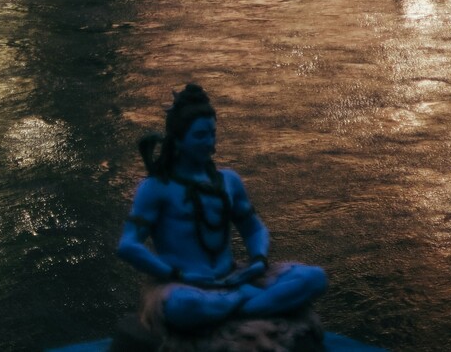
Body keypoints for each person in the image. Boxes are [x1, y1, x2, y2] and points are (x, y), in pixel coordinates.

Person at [117, 83, 327, 342]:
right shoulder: (156, 186)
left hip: (233, 276)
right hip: (185, 284)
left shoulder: (228, 180)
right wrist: (175, 274)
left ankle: (234, 307)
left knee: (314, 278)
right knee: (182, 307)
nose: (210, 143)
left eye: (213, 134)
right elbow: (127, 245)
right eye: (201, 135)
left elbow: (253, 227)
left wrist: (258, 261)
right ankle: (254, 304)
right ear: (179, 140)